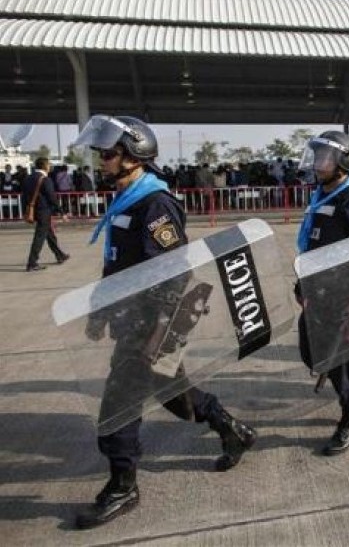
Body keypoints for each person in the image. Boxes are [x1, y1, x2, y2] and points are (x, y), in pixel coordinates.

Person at [70, 115, 256, 529]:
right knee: (175, 393)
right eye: (101, 152)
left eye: (110, 152)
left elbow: (172, 274)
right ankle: (232, 429)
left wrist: (157, 335)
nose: (102, 159)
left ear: (134, 155)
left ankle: (123, 485)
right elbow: (118, 266)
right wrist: (101, 311)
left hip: (149, 325)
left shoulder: (155, 203)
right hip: (130, 318)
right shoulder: (126, 198)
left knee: (116, 410)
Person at [295, 130, 349, 456]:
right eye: (315, 156)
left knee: (341, 362)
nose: (317, 163)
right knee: (312, 354)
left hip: (345, 297)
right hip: (317, 293)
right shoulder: (320, 196)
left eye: (324, 157)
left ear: (343, 162)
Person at [22, 157, 69, 271]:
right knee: (39, 237)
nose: (50, 166)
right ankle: (32, 263)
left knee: (49, 234)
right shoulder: (45, 179)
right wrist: (61, 212)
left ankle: (59, 255)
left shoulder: (28, 178)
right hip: (44, 211)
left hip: (34, 211)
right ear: (44, 166)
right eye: (49, 164)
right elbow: (51, 197)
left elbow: (24, 196)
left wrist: (26, 210)